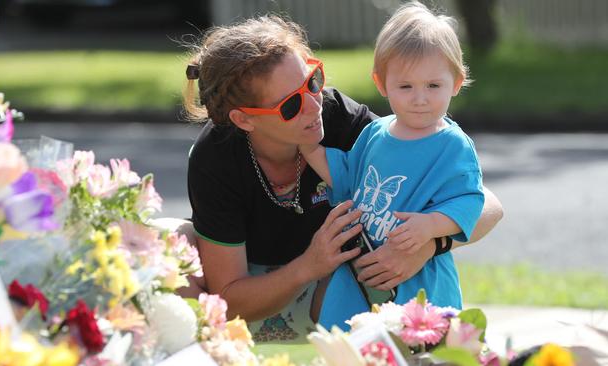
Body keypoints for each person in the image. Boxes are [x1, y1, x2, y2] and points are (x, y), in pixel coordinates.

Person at [182, 14, 503, 342]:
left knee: (373, 270)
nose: (312, 105)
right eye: (290, 105)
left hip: (332, 290)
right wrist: (309, 265)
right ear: (244, 119)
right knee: (169, 250)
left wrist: (428, 245)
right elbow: (227, 301)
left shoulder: (339, 118)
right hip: (252, 299)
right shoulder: (216, 156)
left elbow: (486, 204)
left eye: (312, 82)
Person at [301, 1, 482, 313]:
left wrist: (430, 226)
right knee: (353, 347)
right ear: (381, 84)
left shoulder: (453, 146)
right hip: (359, 271)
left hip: (418, 275)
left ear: (456, 82)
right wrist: (307, 148)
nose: (420, 98)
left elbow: (468, 201)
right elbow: (346, 176)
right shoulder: (375, 134)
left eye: (433, 85)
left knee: (420, 349)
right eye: (405, 86)